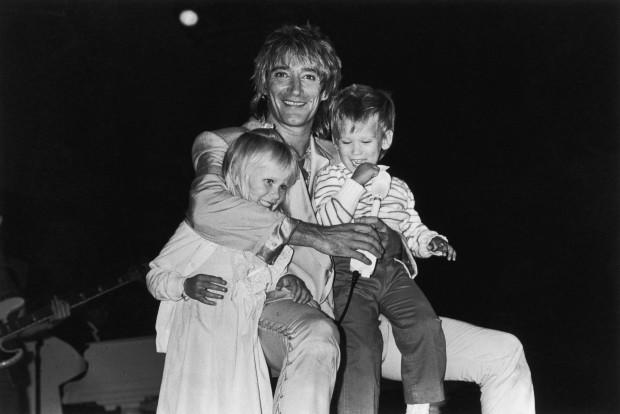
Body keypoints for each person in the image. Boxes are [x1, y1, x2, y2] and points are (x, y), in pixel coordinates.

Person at [186, 24, 535, 414]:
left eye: (309, 76)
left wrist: (395, 240)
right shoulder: (226, 143)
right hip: (270, 313)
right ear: (264, 84)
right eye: (282, 74)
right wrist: (319, 236)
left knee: (505, 353)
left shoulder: (350, 151)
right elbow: (207, 207)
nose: (295, 90)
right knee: (317, 336)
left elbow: (397, 223)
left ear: (325, 89)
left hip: (357, 308)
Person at [146, 130, 316, 414]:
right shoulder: (204, 227)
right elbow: (155, 275)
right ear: (239, 173)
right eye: (269, 182)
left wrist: (287, 280)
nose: (275, 195)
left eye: (284, 187)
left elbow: (266, 280)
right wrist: (184, 286)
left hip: (241, 351)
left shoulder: (270, 236)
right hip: (199, 349)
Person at [312, 84, 455, 414]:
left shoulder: (399, 188)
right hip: (349, 274)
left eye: (365, 141)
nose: (356, 151)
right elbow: (326, 219)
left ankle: (422, 406)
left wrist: (431, 241)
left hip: (392, 272)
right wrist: (355, 183)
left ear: (385, 140)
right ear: (335, 141)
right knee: (360, 344)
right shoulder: (331, 178)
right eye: (346, 142)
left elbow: (411, 227)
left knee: (426, 324)